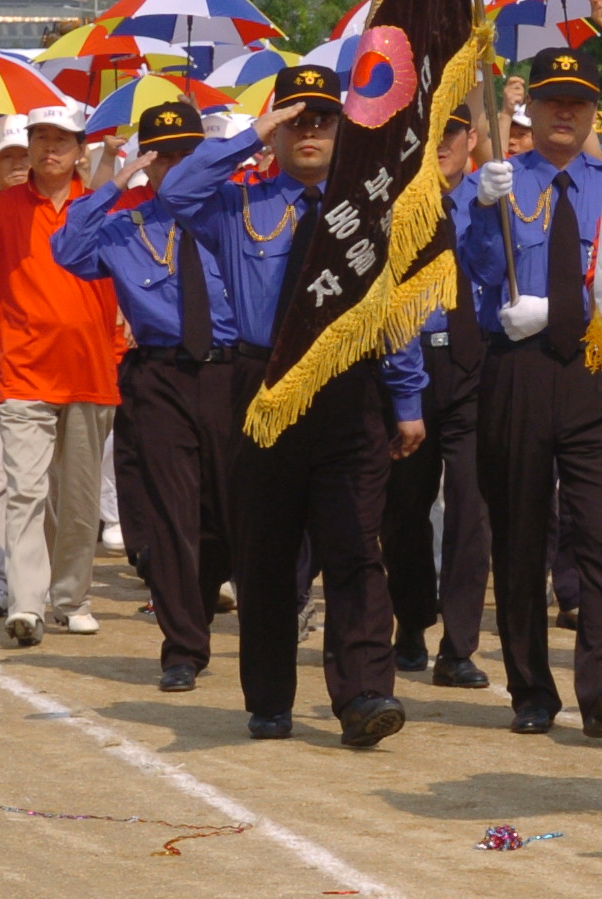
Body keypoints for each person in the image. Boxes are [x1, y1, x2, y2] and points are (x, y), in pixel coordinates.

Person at [157, 65, 427, 747]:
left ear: (344, 128)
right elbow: (176, 190)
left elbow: (396, 312)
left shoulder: (366, 212)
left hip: (348, 387)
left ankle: (364, 692)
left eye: (323, 119)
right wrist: (253, 132)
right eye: (296, 119)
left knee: (354, 547)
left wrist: (407, 397)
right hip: (265, 389)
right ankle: (270, 698)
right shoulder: (241, 205)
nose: (309, 131)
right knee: (266, 553)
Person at [463, 46, 602, 738]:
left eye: (578, 101)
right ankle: (531, 689)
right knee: (520, 532)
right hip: (519, 372)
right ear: (531, 108)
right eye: (553, 100)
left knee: (601, 532)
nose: (564, 112)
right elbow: (476, 277)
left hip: (596, 369)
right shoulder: (504, 179)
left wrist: (569, 312)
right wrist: (479, 210)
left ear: (593, 111)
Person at [52, 100, 239, 689]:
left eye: (189, 154)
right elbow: (69, 251)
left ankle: (202, 603)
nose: (176, 167)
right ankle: (182, 646)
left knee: (225, 518)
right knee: (170, 515)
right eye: (164, 158)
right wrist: (115, 180)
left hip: (233, 374)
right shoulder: (127, 227)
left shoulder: (237, 212)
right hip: (159, 375)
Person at [0, 103, 120, 649]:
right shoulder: (2, 207)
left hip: (90, 372)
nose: (49, 148)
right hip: (22, 374)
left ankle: (71, 598)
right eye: (40, 138)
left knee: (79, 503)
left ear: (83, 148)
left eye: (62, 139)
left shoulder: (104, 205)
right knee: (24, 494)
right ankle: (28, 604)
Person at [380, 99, 493, 690]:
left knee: (472, 510)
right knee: (404, 507)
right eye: (432, 134)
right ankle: (413, 621)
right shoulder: (399, 207)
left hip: (474, 364)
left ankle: (459, 644)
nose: (442, 143)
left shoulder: (488, 198)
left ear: (471, 137)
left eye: (452, 133)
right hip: (409, 362)